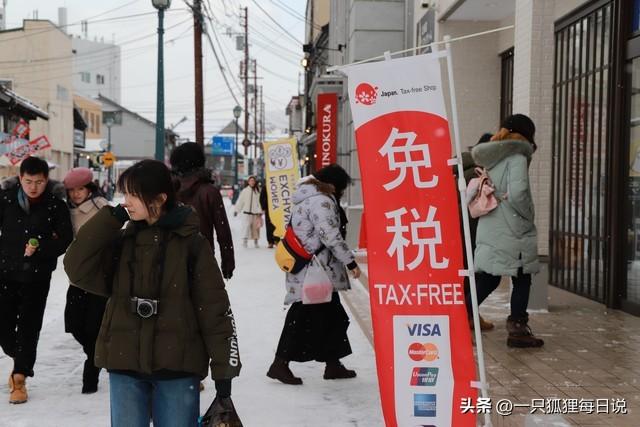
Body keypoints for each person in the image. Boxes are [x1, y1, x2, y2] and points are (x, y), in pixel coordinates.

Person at [63, 159, 241, 426]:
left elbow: (214, 309)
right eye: (125, 194)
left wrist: (224, 372)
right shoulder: (122, 241)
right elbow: (76, 268)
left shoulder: (192, 245)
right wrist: (109, 220)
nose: (127, 201)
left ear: (159, 198)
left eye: (134, 194)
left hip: (177, 368)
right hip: (125, 364)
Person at [267, 164, 361, 385]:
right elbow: (329, 235)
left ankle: (333, 363)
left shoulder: (308, 198)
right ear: (335, 185)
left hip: (311, 269)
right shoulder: (322, 201)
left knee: (333, 317)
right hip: (315, 271)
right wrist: (350, 262)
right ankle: (280, 364)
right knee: (301, 317)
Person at [0, 156, 73, 404]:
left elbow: (64, 239)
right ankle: (18, 354)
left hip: (37, 276)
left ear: (46, 180)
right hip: (5, 272)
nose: (33, 187)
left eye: (39, 182)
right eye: (28, 181)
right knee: (5, 328)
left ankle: (19, 378)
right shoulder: (5, 201)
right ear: (20, 178)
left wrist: (41, 248)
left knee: (30, 326)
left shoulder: (55, 205)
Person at [470, 114, 544, 348]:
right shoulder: (517, 156)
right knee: (522, 276)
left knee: (490, 277)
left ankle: (459, 316)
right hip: (513, 227)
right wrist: (528, 214)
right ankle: (518, 330)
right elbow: (519, 193)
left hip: (492, 225)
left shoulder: (493, 154)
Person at [62, 167, 110, 394]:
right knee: (73, 324)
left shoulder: (102, 208)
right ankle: (101, 353)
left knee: (92, 328)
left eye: (80, 189)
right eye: (71, 190)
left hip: (99, 278)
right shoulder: (65, 211)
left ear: (89, 188)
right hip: (77, 278)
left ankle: (90, 377)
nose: (75, 194)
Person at [170, 142, 235, 280]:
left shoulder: (169, 190)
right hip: (202, 257)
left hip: (170, 257)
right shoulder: (209, 192)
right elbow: (222, 230)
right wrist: (228, 262)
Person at [460, 133, 495, 331]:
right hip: (472, 229)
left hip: (466, 228)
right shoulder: (474, 173)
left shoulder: (465, 169)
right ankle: (467, 314)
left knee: (473, 274)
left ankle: (472, 314)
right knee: (479, 274)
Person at [233, 176, 262, 248]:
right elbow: (240, 201)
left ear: (255, 182)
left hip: (256, 213)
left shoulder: (258, 191)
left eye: (253, 181)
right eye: (251, 181)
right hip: (246, 213)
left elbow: (260, 202)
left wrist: (260, 211)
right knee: (246, 227)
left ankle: (256, 242)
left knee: (256, 228)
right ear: (248, 182)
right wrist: (236, 210)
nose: (252, 182)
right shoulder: (245, 191)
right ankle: (245, 241)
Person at [259, 182, 278, 248]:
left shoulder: (277, 185)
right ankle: (270, 242)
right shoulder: (265, 187)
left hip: (277, 208)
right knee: (269, 225)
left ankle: (277, 240)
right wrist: (263, 207)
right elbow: (261, 197)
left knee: (276, 224)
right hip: (268, 208)